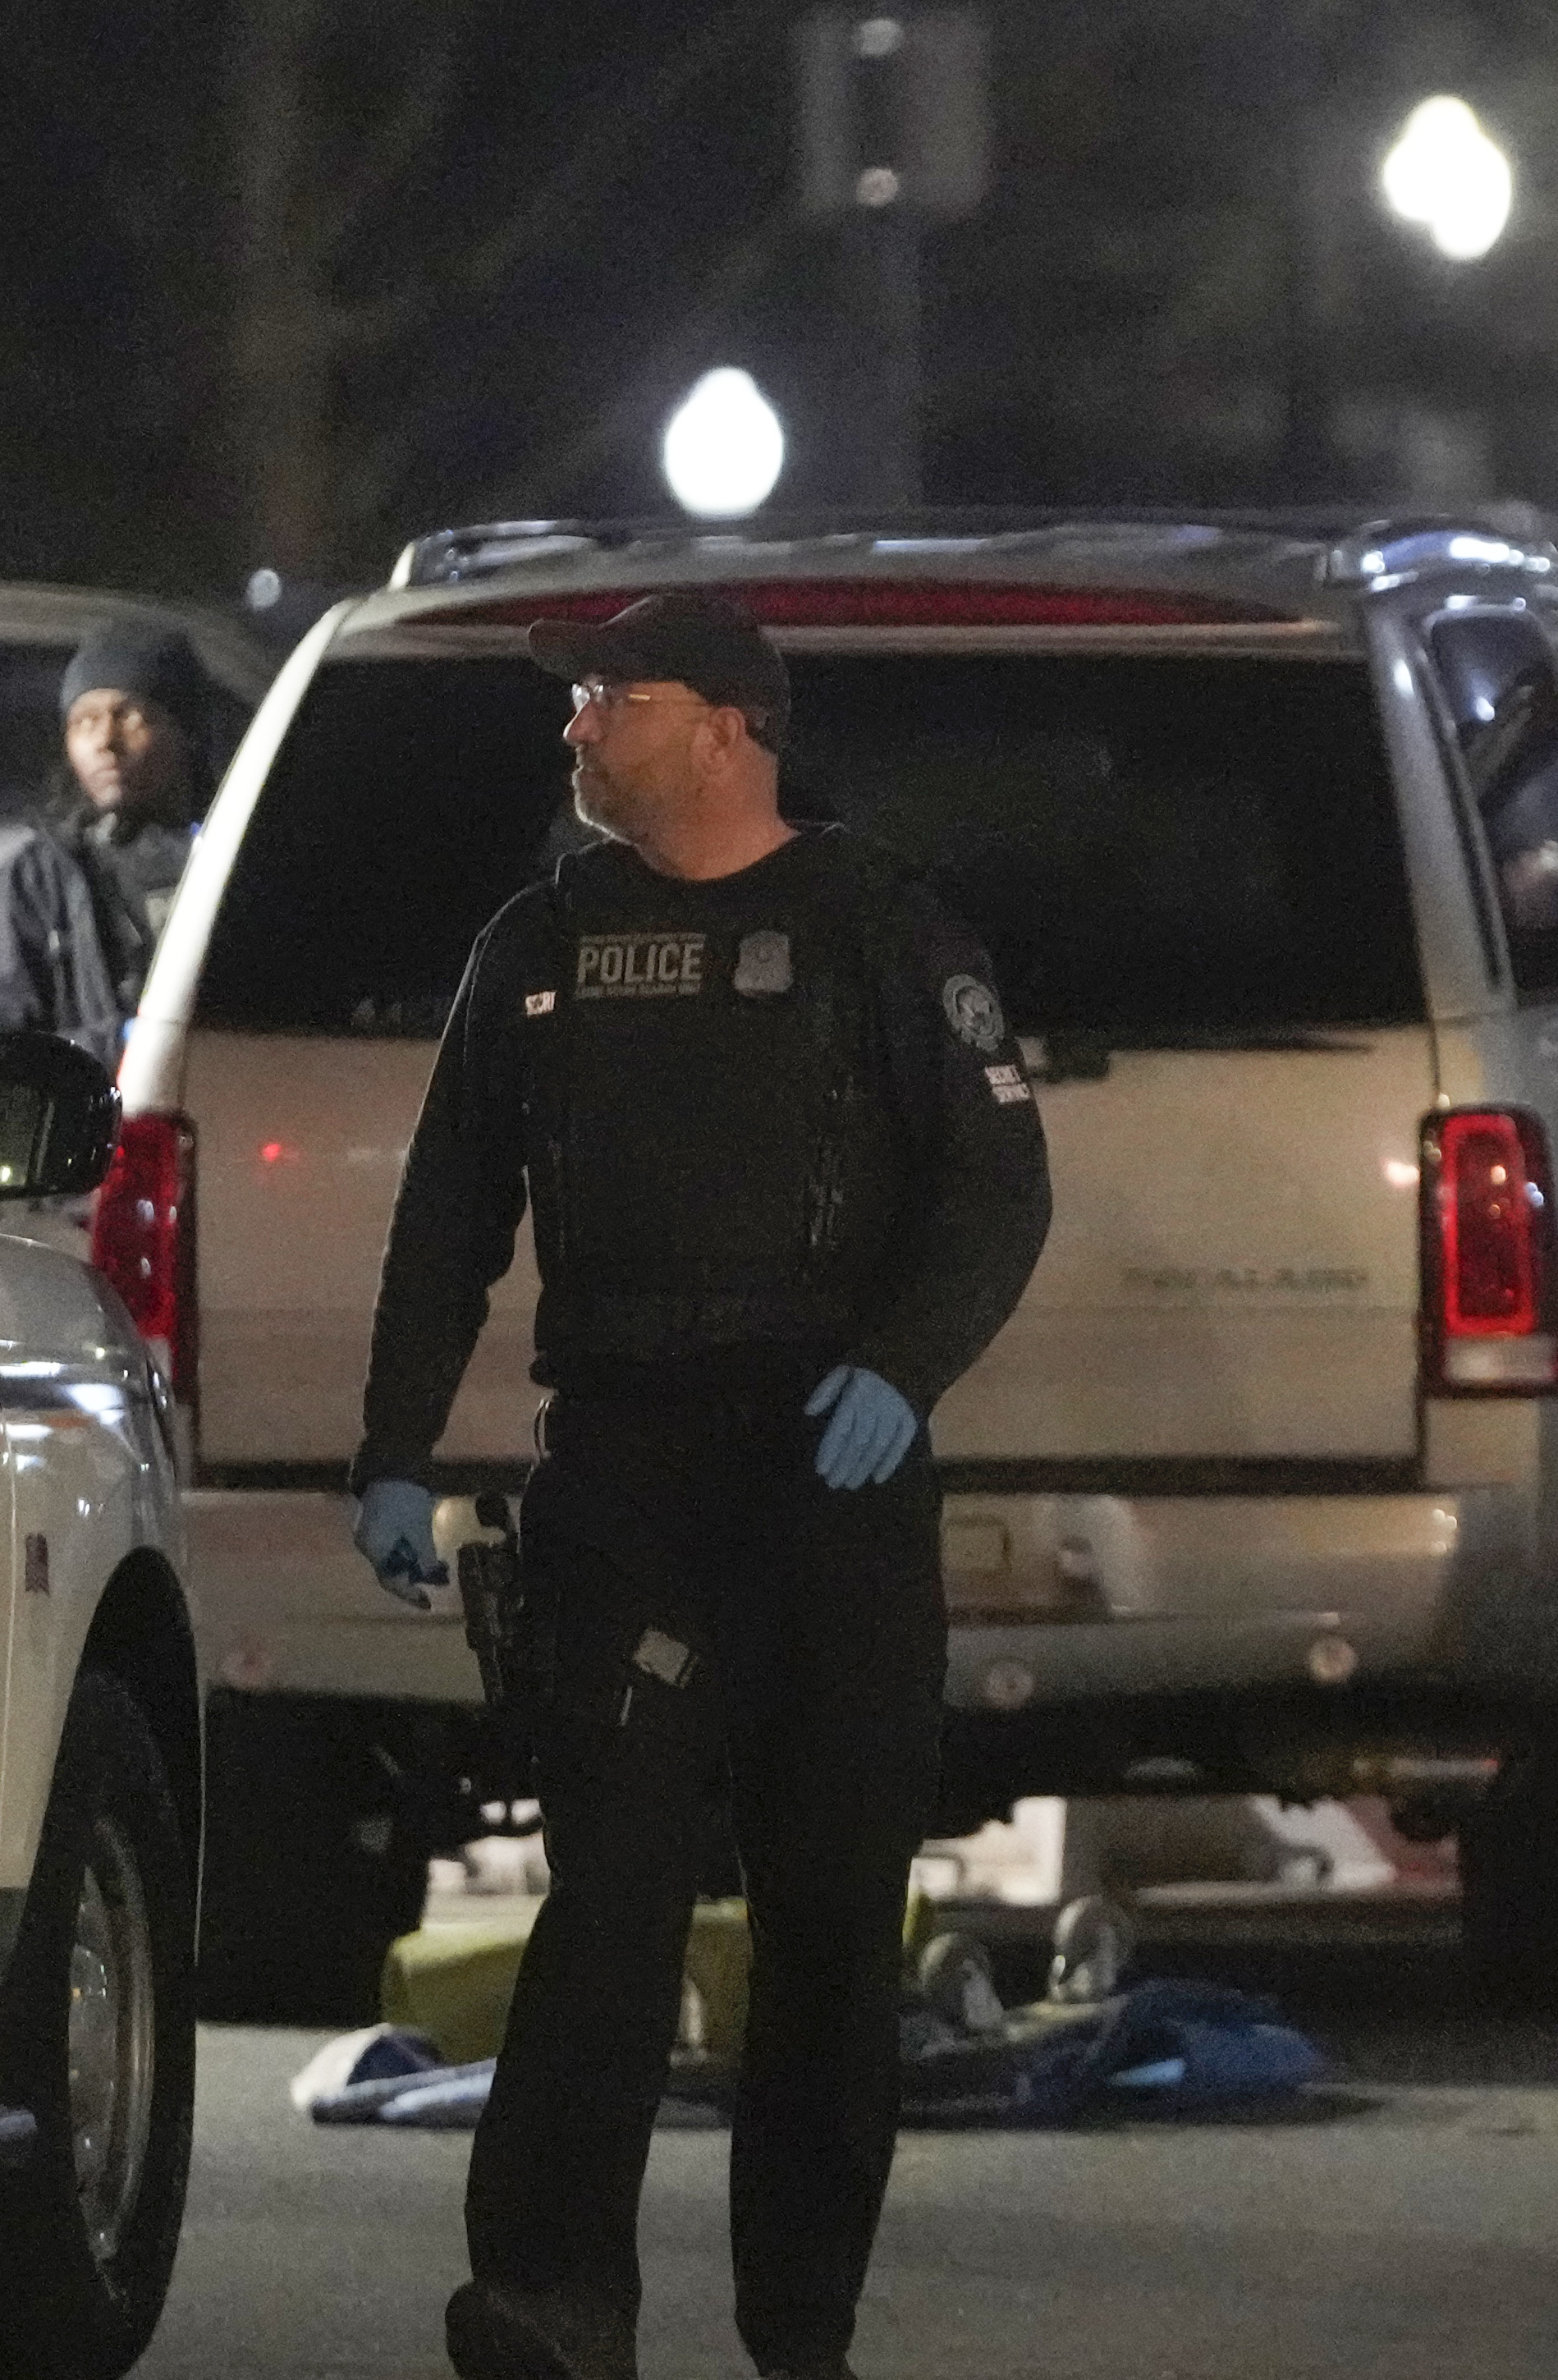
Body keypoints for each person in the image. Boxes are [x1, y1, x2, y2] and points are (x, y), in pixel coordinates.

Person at [346, 591, 1052, 2380]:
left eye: (609, 696)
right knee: (606, 1907)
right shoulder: (543, 940)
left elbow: (993, 1185)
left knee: (826, 1924)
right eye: (576, 701)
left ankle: (796, 2328)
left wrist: (899, 1370)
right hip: (628, 1479)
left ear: (729, 723)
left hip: (826, 1487)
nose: (576, 729)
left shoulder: (879, 927)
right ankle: (548, 2302)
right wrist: (396, 1449)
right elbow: (449, 1218)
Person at [0, 618, 218, 1059]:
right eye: (85, 721)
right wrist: (134, 1041)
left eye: (129, 713)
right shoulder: (29, 887)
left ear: (185, 730)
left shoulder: (236, 862)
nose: (105, 741)